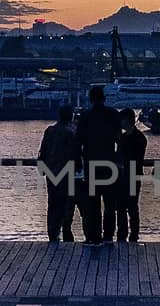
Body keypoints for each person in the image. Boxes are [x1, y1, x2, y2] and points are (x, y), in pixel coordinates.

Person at [74, 84, 123, 244]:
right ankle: (108, 235)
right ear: (104, 98)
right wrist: (118, 159)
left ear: (90, 99)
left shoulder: (85, 116)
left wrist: (78, 162)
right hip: (109, 164)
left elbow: (78, 142)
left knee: (93, 203)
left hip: (91, 164)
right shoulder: (113, 114)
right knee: (110, 204)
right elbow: (119, 140)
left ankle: (94, 236)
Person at [37, 105, 79, 242]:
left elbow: (42, 151)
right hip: (67, 173)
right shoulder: (71, 132)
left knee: (53, 203)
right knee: (67, 203)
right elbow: (75, 153)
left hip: (51, 172)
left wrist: (41, 168)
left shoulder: (50, 131)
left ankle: (52, 232)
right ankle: (66, 230)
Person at [116, 109, 147, 242]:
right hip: (128, 175)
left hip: (130, 176)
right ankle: (126, 233)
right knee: (125, 206)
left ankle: (132, 233)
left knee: (130, 206)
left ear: (127, 120)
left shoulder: (130, 138)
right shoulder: (139, 137)